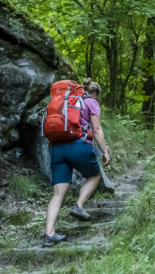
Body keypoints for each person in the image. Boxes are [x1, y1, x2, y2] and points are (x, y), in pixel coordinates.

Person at [42, 79, 112, 246]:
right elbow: (96, 129)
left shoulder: (64, 102)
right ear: (94, 93)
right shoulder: (91, 102)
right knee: (94, 176)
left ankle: (49, 233)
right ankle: (79, 205)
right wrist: (105, 151)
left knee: (58, 193)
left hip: (57, 148)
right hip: (79, 145)